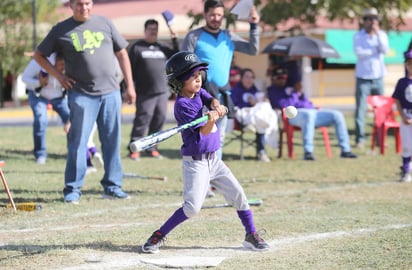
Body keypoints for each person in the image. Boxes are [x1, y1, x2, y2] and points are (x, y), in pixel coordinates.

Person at [141, 51, 269, 254]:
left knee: (239, 196)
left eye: (199, 74)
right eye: (192, 76)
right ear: (179, 81)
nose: (198, 78)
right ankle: (158, 235)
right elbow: (203, 133)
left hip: (214, 160)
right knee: (192, 208)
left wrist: (216, 106)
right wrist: (211, 120)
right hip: (196, 163)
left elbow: (211, 99)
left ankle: (251, 234)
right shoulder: (182, 105)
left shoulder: (198, 92)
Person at [33, 0, 136, 203]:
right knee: (78, 143)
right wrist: (59, 77)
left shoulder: (105, 23)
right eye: (79, 4)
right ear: (71, 5)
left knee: (111, 142)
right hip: (81, 95)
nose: (84, 8)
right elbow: (39, 55)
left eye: (88, 3)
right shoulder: (61, 29)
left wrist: (130, 86)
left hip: (111, 93)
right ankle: (72, 189)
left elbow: (122, 53)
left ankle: (112, 186)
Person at [181, 0, 260, 160]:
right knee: (202, 139)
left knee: (219, 139)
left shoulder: (228, 36)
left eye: (219, 15)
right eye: (212, 15)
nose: (216, 18)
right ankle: (203, 177)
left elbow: (253, 49)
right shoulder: (194, 36)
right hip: (200, 97)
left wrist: (254, 26)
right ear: (205, 15)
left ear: (223, 16)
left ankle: (213, 178)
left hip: (223, 96)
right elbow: (184, 66)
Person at [268, 67, 358, 161]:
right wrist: (296, 93)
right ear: (273, 78)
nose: (282, 79)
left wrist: (300, 94)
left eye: (284, 76)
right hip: (293, 116)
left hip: (312, 112)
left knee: (337, 115)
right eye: (278, 77)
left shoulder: (292, 86)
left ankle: (345, 150)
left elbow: (308, 103)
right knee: (308, 115)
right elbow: (285, 105)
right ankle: (308, 152)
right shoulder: (273, 90)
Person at [127, 19, 179, 160]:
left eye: (155, 29)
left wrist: (174, 37)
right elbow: (129, 70)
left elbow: (177, 55)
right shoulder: (137, 48)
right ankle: (134, 148)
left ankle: (152, 148)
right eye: (150, 29)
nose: (153, 31)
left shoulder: (162, 47)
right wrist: (128, 87)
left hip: (162, 91)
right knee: (142, 120)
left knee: (159, 119)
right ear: (145, 30)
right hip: (144, 92)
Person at [22, 52, 71, 164]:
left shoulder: (71, 63)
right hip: (39, 95)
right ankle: (40, 154)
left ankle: (72, 152)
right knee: (41, 120)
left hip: (59, 96)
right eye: (61, 64)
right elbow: (25, 78)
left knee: (71, 120)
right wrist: (39, 82)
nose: (63, 67)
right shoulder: (40, 62)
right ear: (53, 62)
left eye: (65, 64)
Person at [353, 7, 389, 149]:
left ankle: (380, 139)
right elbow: (359, 53)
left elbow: (385, 50)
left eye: (374, 19)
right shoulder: (358, 36)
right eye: (369, 19)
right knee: (361, 109)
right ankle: (359, 139)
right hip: (362, 77)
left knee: (380, 111)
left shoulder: (382, 35)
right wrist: (374, 50)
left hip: (378, 77)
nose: (372, 22)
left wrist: (377, 35)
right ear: (364, 21)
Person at [231, 68, 278, 162]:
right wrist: (250, 104)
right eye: (247, 77)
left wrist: (262, 101)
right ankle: (261, 151)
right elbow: (233, 106)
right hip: (244, 116)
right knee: (261, 118)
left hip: (257, 116)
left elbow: (261, 104)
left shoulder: (255, 90)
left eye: (252, 77)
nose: (249, 79)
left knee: (265, 108)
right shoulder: (235, 90)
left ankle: (262, 150)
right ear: (241, 78)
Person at [391, 50, 412, 182]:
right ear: (406, 65)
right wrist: (403, 116)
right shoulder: (401, 82)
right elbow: (397, 100)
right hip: (405, 116)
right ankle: (406, 171)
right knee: (406, 145)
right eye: (409, 63)